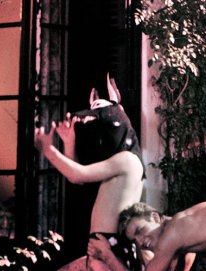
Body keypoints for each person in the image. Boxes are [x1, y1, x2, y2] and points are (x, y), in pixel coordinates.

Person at [35, 75, 145, 271]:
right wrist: (70, 143)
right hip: (102, 246)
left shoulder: (128, 161)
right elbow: (77, 177)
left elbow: (77, 175)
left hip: (108, 249)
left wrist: (48, 150)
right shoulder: (121, 160)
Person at [89, 200, 206, 271]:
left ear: (155, 217)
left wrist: (108, 255)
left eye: (140, 231)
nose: (140, 242)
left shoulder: (172, 234)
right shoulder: (185, 231)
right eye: (135, 241)